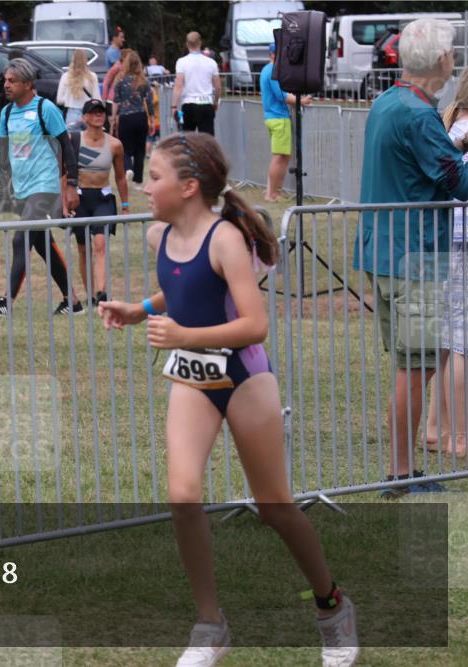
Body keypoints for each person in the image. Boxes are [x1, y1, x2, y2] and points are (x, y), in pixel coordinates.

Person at [98, 132, 359, 667]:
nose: (144, 186)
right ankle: (210, 626)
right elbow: (187, 287)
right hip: (195, 381)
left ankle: (333, 608)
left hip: (244, 377)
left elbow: (254, 324)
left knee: (275, 508)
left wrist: (181, 337)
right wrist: (140, 309)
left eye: (154, 177)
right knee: (183, 493)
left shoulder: (226, 240)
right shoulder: (159, 236)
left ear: (189, 187)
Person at [353, 18, 468, 498]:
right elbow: (459, 185)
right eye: (451, 53)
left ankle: (403, 470)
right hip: (414, 256)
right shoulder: (421, 116)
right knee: (414, 367)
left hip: (384, 251)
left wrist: (454, 145)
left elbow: (427, 165)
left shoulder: (388, 102)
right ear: (442, 61)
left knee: (411, 363)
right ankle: (401, 474)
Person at [0, 58, 83, 318]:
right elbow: (0, 152)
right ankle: (73, 301)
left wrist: (71, 185)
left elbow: (67, 148)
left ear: (28, 84)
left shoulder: (46, 108)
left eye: (12, 81)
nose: (6, 85)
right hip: (21, 188)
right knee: (43, 243)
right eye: (5, 80)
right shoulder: (7, 112)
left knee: (21, 238)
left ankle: (6, 302)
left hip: (44, 186)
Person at [427, 69, 468, 458]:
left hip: (447, 238)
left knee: (447, 340)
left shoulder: (449, 124)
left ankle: (437, 428)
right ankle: (458, 436)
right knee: (461, 343)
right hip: (461, 243)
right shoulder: (461, 129)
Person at [67, 99, 128, 306]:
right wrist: (64, 201)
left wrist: (126, 205)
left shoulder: (114, 144)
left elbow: (120, 177)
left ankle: (102, 292)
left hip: (103, 198)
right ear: (84, 118)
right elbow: (63, 173)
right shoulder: (74, 139)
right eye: (93, 113)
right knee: (84, 249)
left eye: (101, 112)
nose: (98, 115)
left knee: (100, 243)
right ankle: (91, 295)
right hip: (80, 199)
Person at [259, 42, 312, 202]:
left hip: (272, 117)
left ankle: (272, 191)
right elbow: (281, 95)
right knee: (279, 157)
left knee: (281, 157)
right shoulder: (273, 71)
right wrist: (301, 101)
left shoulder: (266, 70)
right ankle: (272, 194)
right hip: (279, 118)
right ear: (274, 55)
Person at [110, 51, 155, 190]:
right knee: (140, 150)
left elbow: (116, 102)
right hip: (141, 117)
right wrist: (152, 120)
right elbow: (149, 102)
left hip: (125, 117)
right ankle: (138, 182)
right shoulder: (143, 81)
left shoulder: (120, 80)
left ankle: (128, 168)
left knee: (125, 148)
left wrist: (113, 119)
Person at [171, 31, 221, 135]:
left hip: (189, 104)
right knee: (207, 142)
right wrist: (215, 102)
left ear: (187, 44)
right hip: (206, 103)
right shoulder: (211, 62)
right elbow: (218, 87)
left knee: (188, 141)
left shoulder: (181, 62)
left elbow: (178, 85)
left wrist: (174, 106)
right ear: (200, 43)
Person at [57, 48, 100, 129]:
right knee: (88, 141)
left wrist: (69, 98)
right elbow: (97, 100)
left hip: (72, 114)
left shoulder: (66, 76)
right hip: (89, 114)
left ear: (72, 59)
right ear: (86, 60)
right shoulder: (92, 76)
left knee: (73, 140)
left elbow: (59, 100)